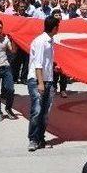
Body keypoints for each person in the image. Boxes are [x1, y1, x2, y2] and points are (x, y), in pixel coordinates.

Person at [27, 15, 59, 152]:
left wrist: (54, 67)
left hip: (48, 80)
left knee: (45, 112)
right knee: (37, 110)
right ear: (54, 27)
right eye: (58, 26)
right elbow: (38, 64)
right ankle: (33, 139)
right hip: (37, 80)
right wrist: (41, 83)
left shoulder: (50, 41)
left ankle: (40, 138)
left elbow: (45, 63)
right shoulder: (41, 41)